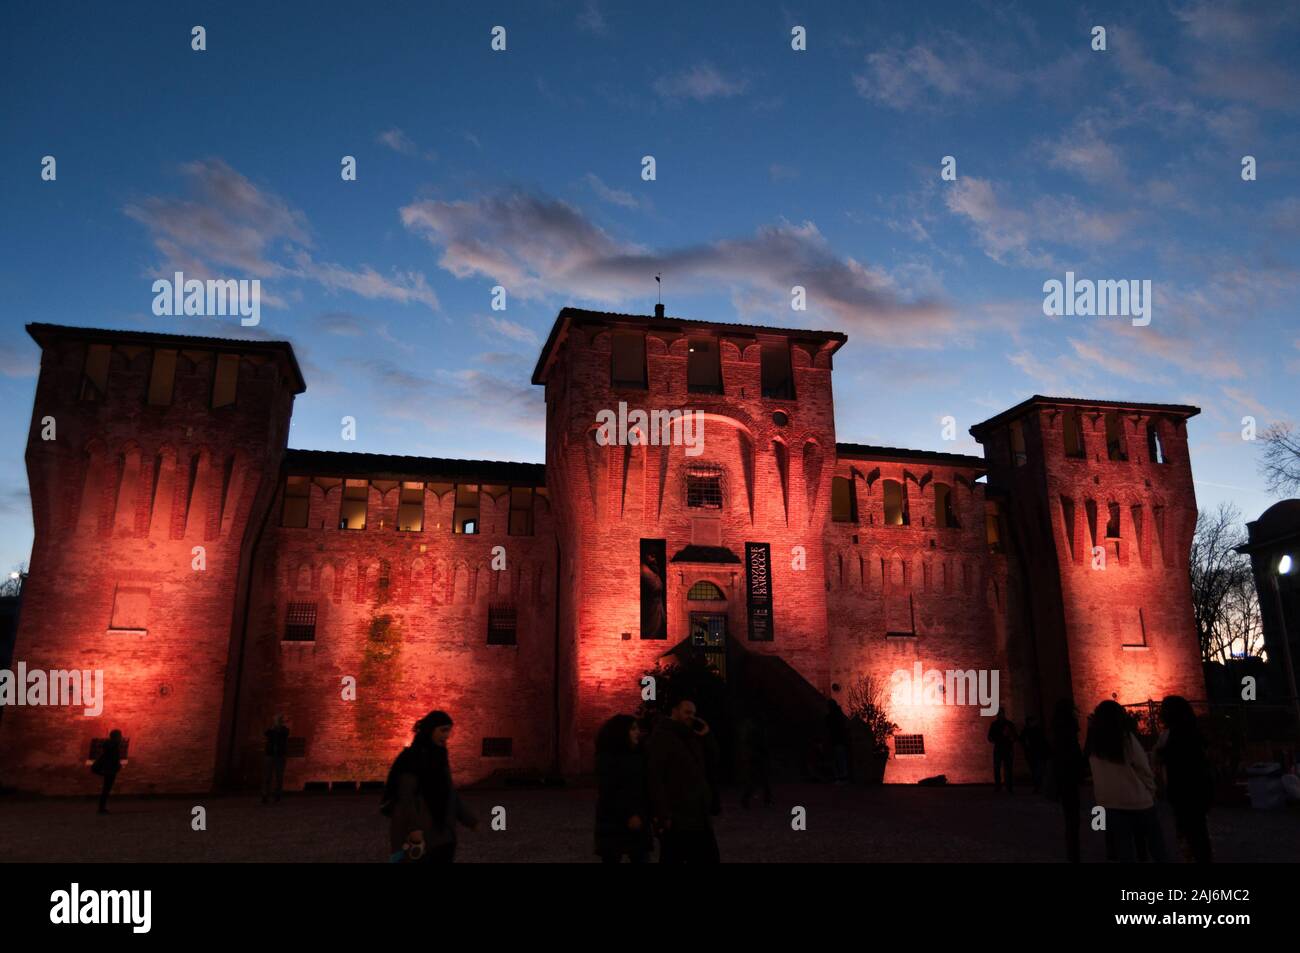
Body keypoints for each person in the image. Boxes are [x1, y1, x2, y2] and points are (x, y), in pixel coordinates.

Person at [382, 710, 478, 863]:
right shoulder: (411, 757)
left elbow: (449, 793)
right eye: (443, 730)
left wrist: (470, 820)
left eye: (448, 731)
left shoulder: (440, 756)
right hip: (421, 835)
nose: (446, 735)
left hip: (444, 835)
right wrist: (414, 828)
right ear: (430, 729)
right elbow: (406, 796)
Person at [1086, 700, 1168, 863]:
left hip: (1107, 803)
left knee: (1122, 849)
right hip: (1137, 801)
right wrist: (1151, 790)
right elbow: (1143, 768)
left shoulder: (1093, 743)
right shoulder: (1125, 739)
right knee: (1156, 846)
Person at [647, 697, 721, 863]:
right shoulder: (662, 737)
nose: (691, 717)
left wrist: (707, 736)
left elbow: (713, 761)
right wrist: (662, 813)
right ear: (674, 711)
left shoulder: (691, 736)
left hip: (698, 813)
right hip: (677, 816)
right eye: (687, 712)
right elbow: (655, 777)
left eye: (694, 713)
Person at [1153, 695, 1214, 863]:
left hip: (1184, 793)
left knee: (1191, 836)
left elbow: (1170, 759)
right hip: (1196, 791)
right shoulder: (1193, 732)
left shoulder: (1174, 736)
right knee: (1198, 835)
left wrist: (1160, 754)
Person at [594, 714, 653, 863]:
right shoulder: (608, 758)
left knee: (640, 856)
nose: (637, 732)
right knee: (613, 856)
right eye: (633, 729)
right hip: (614, 820)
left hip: (638, 817)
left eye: (637, 728)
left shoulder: (640, 755)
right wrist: (629, 814)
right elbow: (610, 791)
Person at [1049, 699, 1085, 863]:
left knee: (1070, 818)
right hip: (1070, 777)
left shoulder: (1056, 731)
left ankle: (1073, 852)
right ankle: (1074, 852)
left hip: (1062, 777)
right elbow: (1076, 755)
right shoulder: (1070, 734)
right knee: (1073, 817)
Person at [737, 712, 773, 808]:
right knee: (757, 780)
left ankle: (766, 800)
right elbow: (757, 743)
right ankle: (763, 800)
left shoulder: (755, 728)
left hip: (756, 756)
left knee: (761, 780)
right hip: (755, 757)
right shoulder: (755, 729)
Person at [91, 729, 124, 814]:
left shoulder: (108, 745)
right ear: (116, 737)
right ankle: (101, 808)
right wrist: (117, 765)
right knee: (106, 789)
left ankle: (102, 807)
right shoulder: (114, 746)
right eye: (120, 736)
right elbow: (114, 758)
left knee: (106, 789)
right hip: (110, 769)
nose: (121, 737)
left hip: (108, 768)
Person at [987, 708, 1018, 792]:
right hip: (1003, 748)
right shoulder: (1005, 724)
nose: (1000, 715)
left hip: (1004, 748)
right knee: (1003, 768)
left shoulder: (1002, 724)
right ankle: (1005, 787)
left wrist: (997, 739)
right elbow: (990, 737)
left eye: (1001, 714)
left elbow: (1015, 736)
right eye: (999, 714)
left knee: (1004, 768)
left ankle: (1004, 787)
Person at [262, 714, 289, 804]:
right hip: (270, 754)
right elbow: (266, 733)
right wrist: (273, 728)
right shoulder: (271, 730)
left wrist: (276, 728)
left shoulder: (284, 730)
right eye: (276, 720)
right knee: (267, 776)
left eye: (278, 720)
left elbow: (283, 735)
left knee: (279, 776)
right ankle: (265, 795)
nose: (277, 722)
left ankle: (277, 795)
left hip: (280, 755)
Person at [1021, 714, 1050, 794]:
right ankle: (1038, 786)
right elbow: (1043, 742)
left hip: (1035, 753)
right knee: (1036, 770)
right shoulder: (1035, 731)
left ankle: (1038, 786)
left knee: (1036, 770)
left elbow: (1022, 741)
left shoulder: (1029, 731)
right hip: (1035, 753)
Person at [825, 699, 850, 783]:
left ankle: (839, 777)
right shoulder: (840, 716)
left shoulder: (830, 717)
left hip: (836, 741)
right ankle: (842, 777)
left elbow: (828, 729)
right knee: (840, 759)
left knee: (836, 759)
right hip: (840, 741)